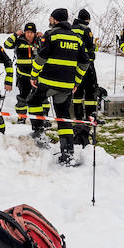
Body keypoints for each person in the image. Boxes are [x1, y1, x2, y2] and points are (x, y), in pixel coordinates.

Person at [29, 8, 90, 164]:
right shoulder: (77, 38)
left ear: (55, 20)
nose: (49, 21)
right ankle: (68, 152)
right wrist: (76, 81)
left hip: (48, 82)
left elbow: (42, 57)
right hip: (67, 85)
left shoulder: (51, 35)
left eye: (50, 18)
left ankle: (39, 133)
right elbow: (85, 62)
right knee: (63, 116)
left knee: (33, 101)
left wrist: (34, 75)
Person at [2, 23, 41, 125]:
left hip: (37, 75)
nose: (29, 35)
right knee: (22, 98)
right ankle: (21, 118)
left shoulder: (39, 41)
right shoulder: (19, 40)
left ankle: (41, 119)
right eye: (27, 32)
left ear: (35, 33)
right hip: (22, 74)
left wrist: (43, 37)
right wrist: (15, 34)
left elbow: (48, 48)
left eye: (31, 32)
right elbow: (6, 44)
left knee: (40, 98)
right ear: (24, 32)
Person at [70, 9, 100, 129]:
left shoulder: (71, 28)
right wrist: (94, 47)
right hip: (87, 64)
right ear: (87, 19)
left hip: (74, 64)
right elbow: (89, 47)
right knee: (90, 89)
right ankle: (90, 115)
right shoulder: (86, 29)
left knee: (77, 89)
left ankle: (78, 115)